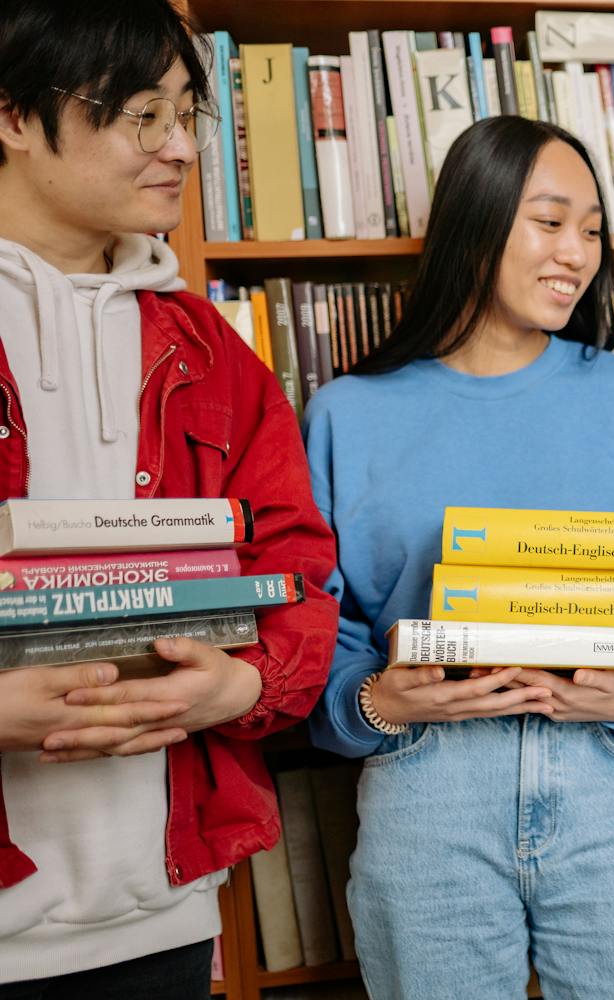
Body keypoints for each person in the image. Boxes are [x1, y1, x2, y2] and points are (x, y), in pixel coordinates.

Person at [303, 115, 614, 1000]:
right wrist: (373, 703)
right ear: (476, 221)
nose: (577, 252)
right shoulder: (347, 414)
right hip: (427, 784)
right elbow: (318, 630)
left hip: (606, 773)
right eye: (549, 220)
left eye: (594, 229)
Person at [0, 1, 338, 995]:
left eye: (188, 114)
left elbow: (301, 576)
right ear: (15, 116)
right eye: (142, 115)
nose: (182, 148)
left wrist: (243, 687)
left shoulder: (214, 356)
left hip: (163, 913)